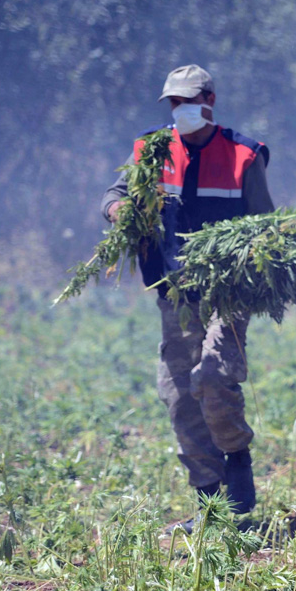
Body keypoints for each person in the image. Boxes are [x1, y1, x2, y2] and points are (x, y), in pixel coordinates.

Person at [101, 64, 273, 530]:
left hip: (228, 292)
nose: (181, 111)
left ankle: (237, 457)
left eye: (188, 101)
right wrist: (122, 211)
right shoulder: (152, 150)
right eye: (173, 103)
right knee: (179, 396)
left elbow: (264, 229)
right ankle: (210, 505)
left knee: (215, 378)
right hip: (175, 293)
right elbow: (114, 195)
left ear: (210, 101)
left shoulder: (243, 155)